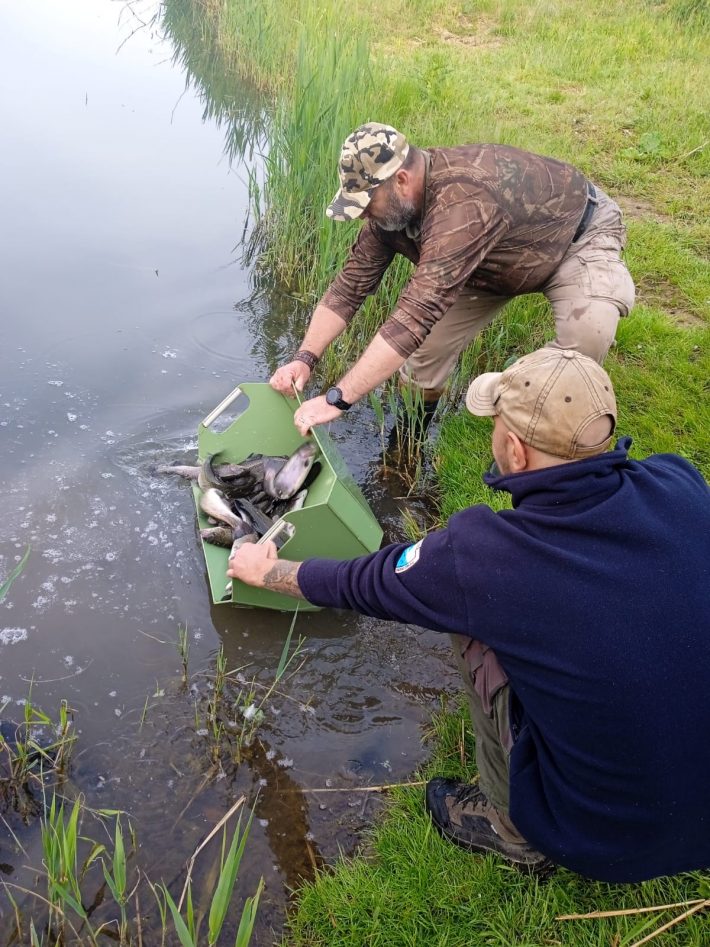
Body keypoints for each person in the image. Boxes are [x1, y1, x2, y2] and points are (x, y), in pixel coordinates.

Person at [229, 347, 710, 882]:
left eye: (496, 427)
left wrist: (265, 571)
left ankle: (515, 831)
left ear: (514, 450)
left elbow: (365, 583)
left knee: (472, 626)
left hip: (600, 838)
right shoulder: (679, 484)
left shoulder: (485, 557)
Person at [270, 123, 635, 440]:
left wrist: (339, 398)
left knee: (587, 336)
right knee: (423, 358)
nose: (362, 213)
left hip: (573, 236)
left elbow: (415, 315)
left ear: (401, 180)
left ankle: (540, 444)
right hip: (488, 265)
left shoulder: (464, 203)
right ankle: (408, 442)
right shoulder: (390, 213)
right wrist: (305, 359)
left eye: (366, 203)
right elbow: (349, 288)